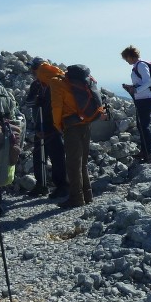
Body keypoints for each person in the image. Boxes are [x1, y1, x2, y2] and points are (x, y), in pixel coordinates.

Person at [35, 62, 101, 208]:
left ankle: (76, 198)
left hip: (72, 125)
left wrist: (58, 125)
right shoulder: (69, 78)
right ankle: (87, 194)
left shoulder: (55, 82)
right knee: (82, 162)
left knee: (72, 163)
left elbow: (56, 106)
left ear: (43, 75)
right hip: (86, 121)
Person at [25, 57, 69, 198]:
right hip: (41, 125)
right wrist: (36, 101)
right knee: (39, 155)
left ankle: (62, 185)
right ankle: (41, 184)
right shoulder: (36, 85)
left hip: (53, 125)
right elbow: (29, 102)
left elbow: (57, 106)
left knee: (57, 156)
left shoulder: (55, 84)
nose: (32, 71)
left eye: (33, 68)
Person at [120, 45, 151, 163]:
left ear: (130, 56)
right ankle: (144, 150)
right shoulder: (138, 66)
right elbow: (141, 83)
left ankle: (149, 152)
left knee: (143, 126)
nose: (126, 61)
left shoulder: (141, 65)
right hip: (142, 99)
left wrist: (135, 90)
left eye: (126, 58)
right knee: (141, 125)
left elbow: (148, 82)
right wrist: (132, 87)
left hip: (145, 99)